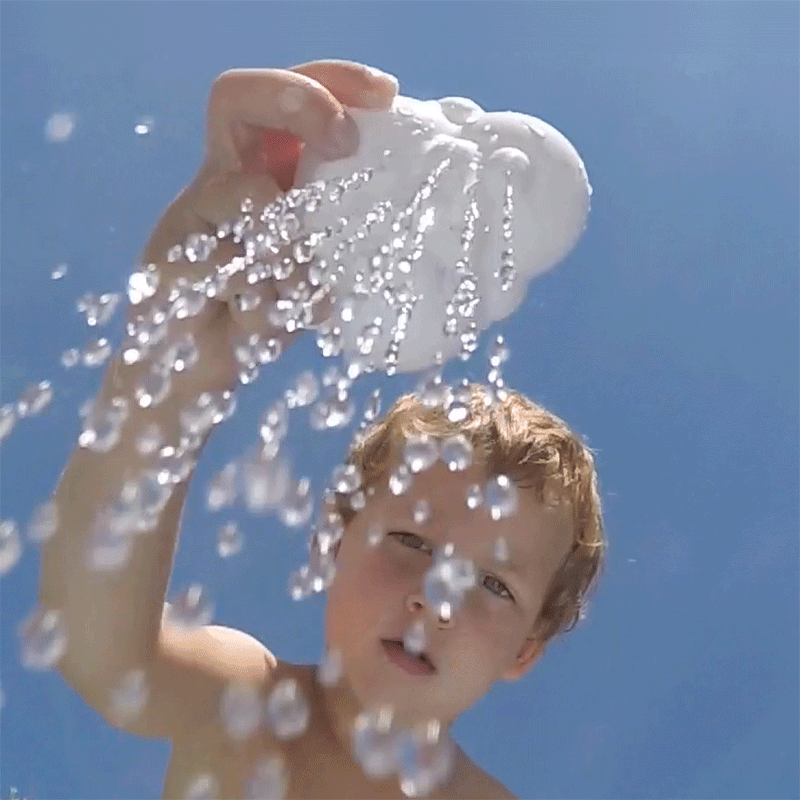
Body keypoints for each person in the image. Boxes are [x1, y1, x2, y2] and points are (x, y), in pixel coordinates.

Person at [36, 60, 606, 799]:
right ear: (332, 541)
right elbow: (106, 657)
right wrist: (164, 386)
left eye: (495, 583)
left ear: (524, 650)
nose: (435, 597)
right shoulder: (250, 704)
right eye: (410, 540)